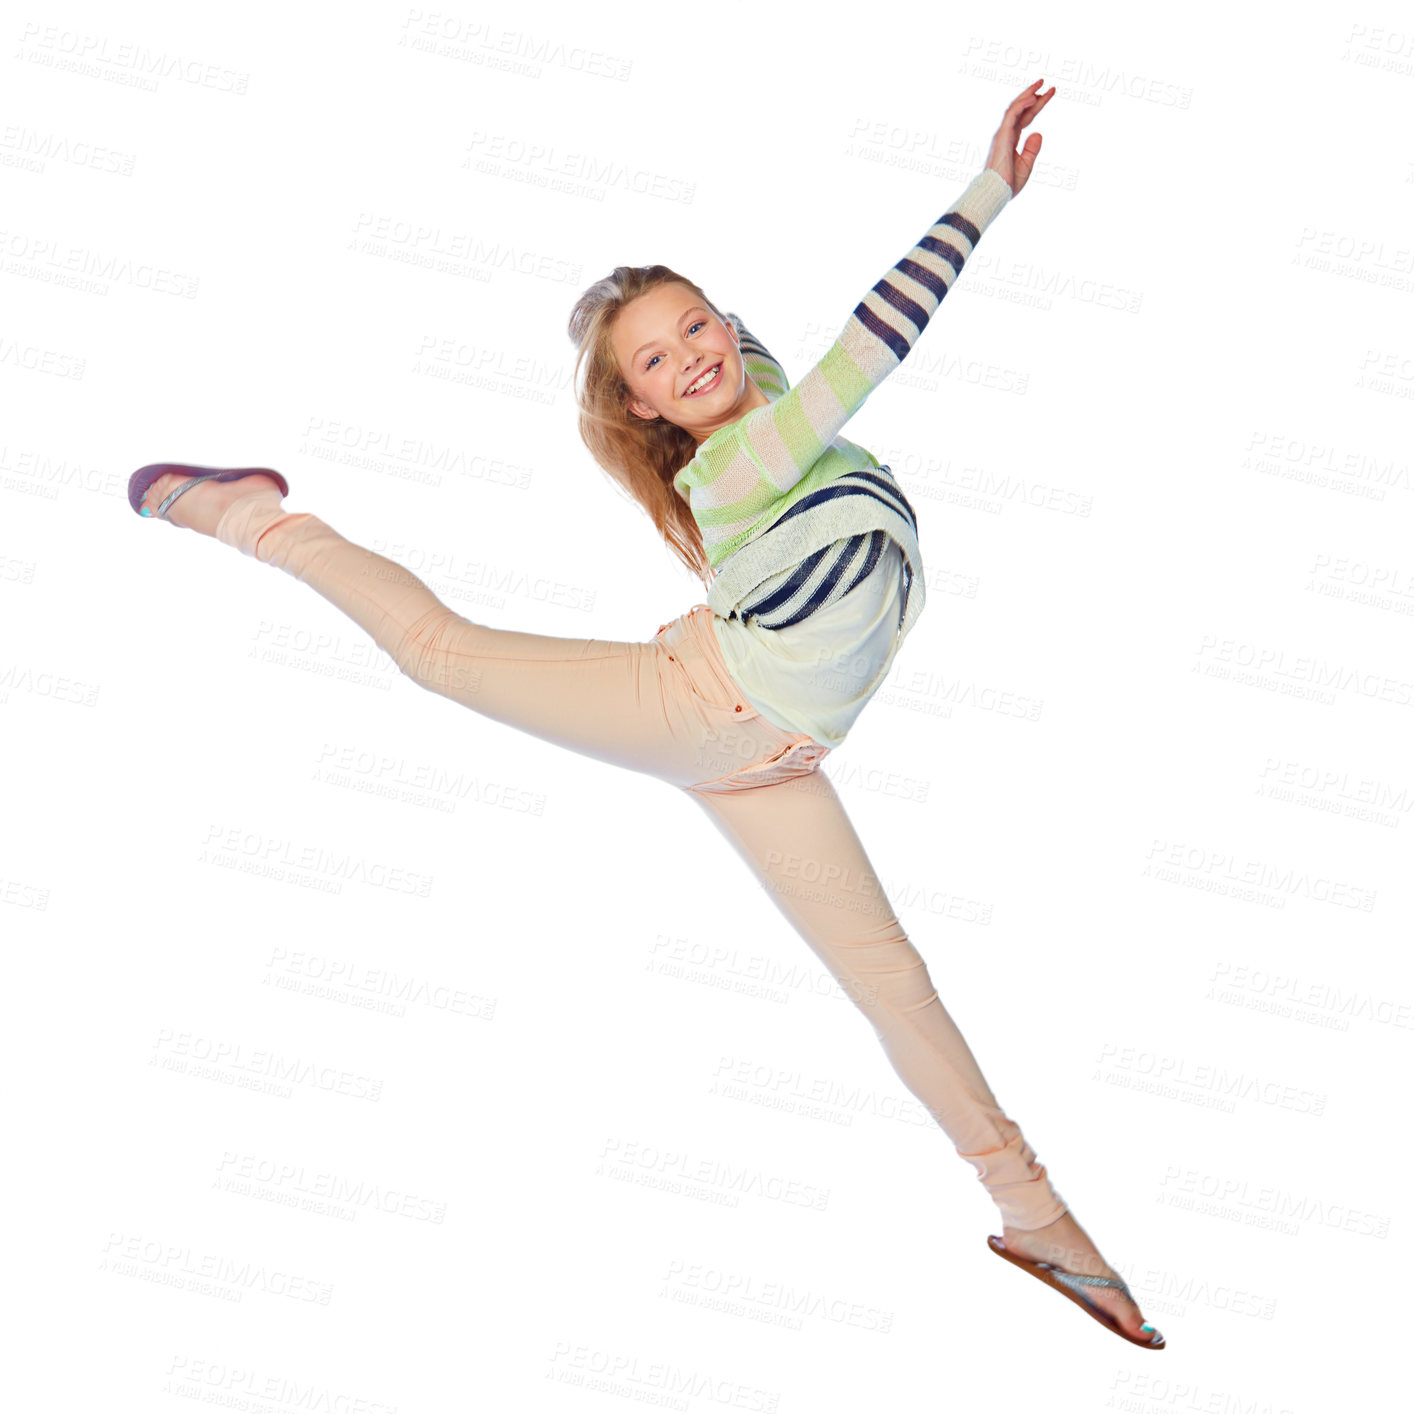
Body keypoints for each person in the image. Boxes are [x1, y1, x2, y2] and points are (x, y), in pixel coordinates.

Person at [128, 79, 1163, 1350]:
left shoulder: (764, 406)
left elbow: (802, 355)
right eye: (657, 363)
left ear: (730, 324)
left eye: (695, 326)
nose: (691, 358)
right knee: (441, 654)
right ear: (645, 410)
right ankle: (241, 513)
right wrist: (988, 191)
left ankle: (1039, 1221)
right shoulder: (746, 454)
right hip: (703, 708)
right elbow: (880, 332)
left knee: (889, 978)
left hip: (776, 753)